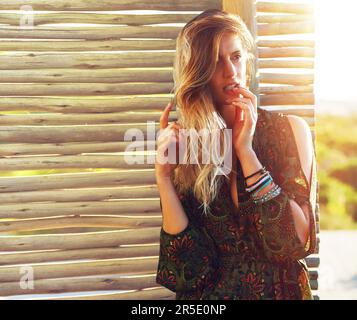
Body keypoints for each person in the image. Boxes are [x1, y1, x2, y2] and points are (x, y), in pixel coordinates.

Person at [155, 9, 317, 300]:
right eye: (216, 61)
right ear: (197, 70)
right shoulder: (184, 141)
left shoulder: (291, 131)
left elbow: (297, 241)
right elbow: (184, 268)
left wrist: (246, 151)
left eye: (236, 56)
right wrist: (164, 179)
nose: (231, 71)